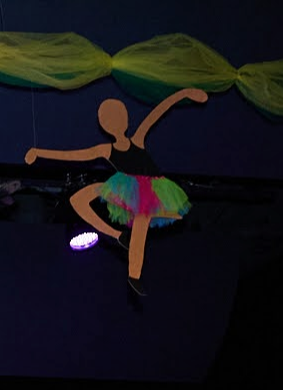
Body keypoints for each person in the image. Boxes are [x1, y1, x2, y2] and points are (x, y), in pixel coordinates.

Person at [24, 89, 209, 293]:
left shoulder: (137, 139)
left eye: (117, 118)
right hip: (125, 187)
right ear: (104, 125)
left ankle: (134, 273)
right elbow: (75, 155)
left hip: (152, 188)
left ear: (126, 120)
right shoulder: (106, 149)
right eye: (107, 120)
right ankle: (118, 235)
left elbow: (158, 111)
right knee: (79, 198)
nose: (113, 123)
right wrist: (38, 152)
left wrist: (185, 93)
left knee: (142, 219)